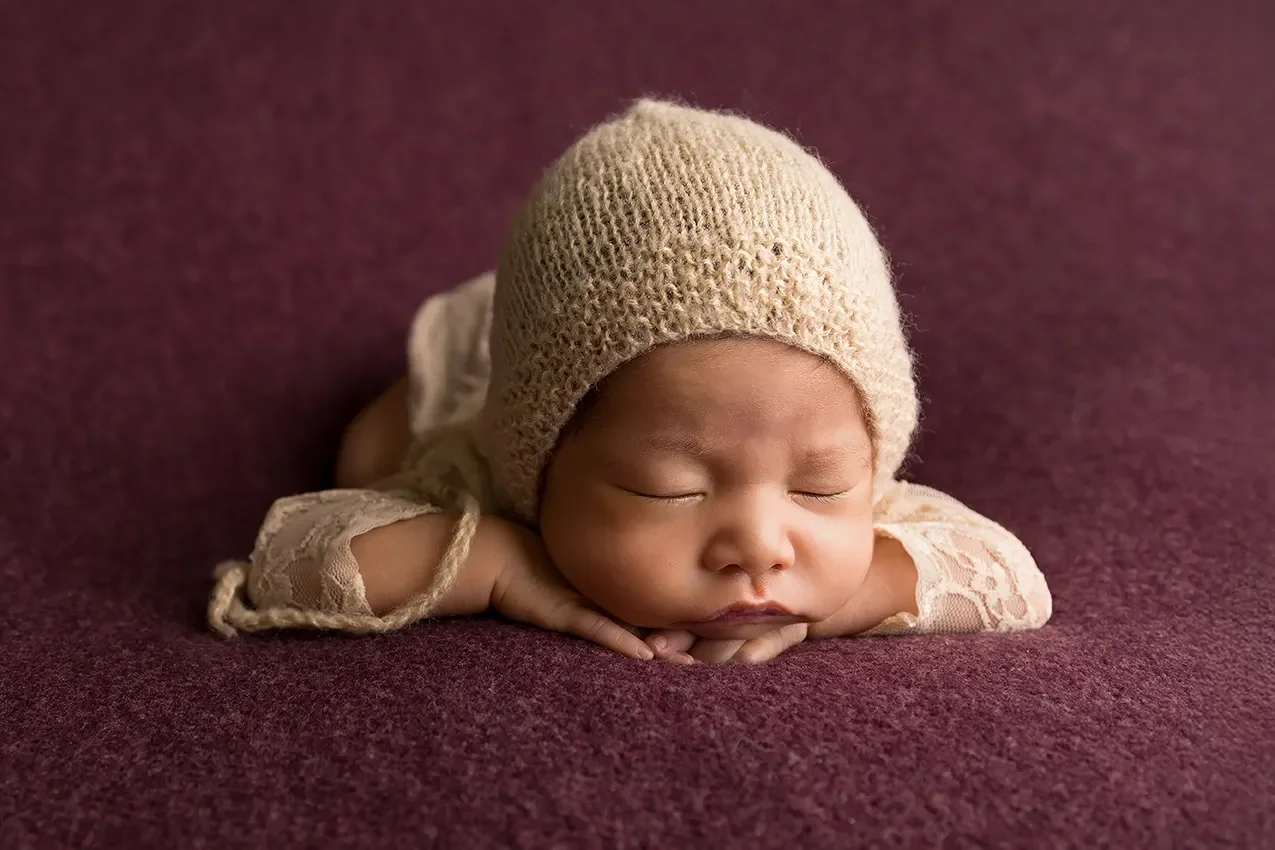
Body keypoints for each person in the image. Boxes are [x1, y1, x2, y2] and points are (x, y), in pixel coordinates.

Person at [207, 98, 1052, 664]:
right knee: (369, 448)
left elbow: (1012, 579)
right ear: (537, 474)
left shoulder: (843, 472)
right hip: (479, 376)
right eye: (669, 490)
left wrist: (848, 595)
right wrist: (499, 562)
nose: (761, 545)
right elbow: (287, 560)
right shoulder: (483, 474)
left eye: (820, 485)